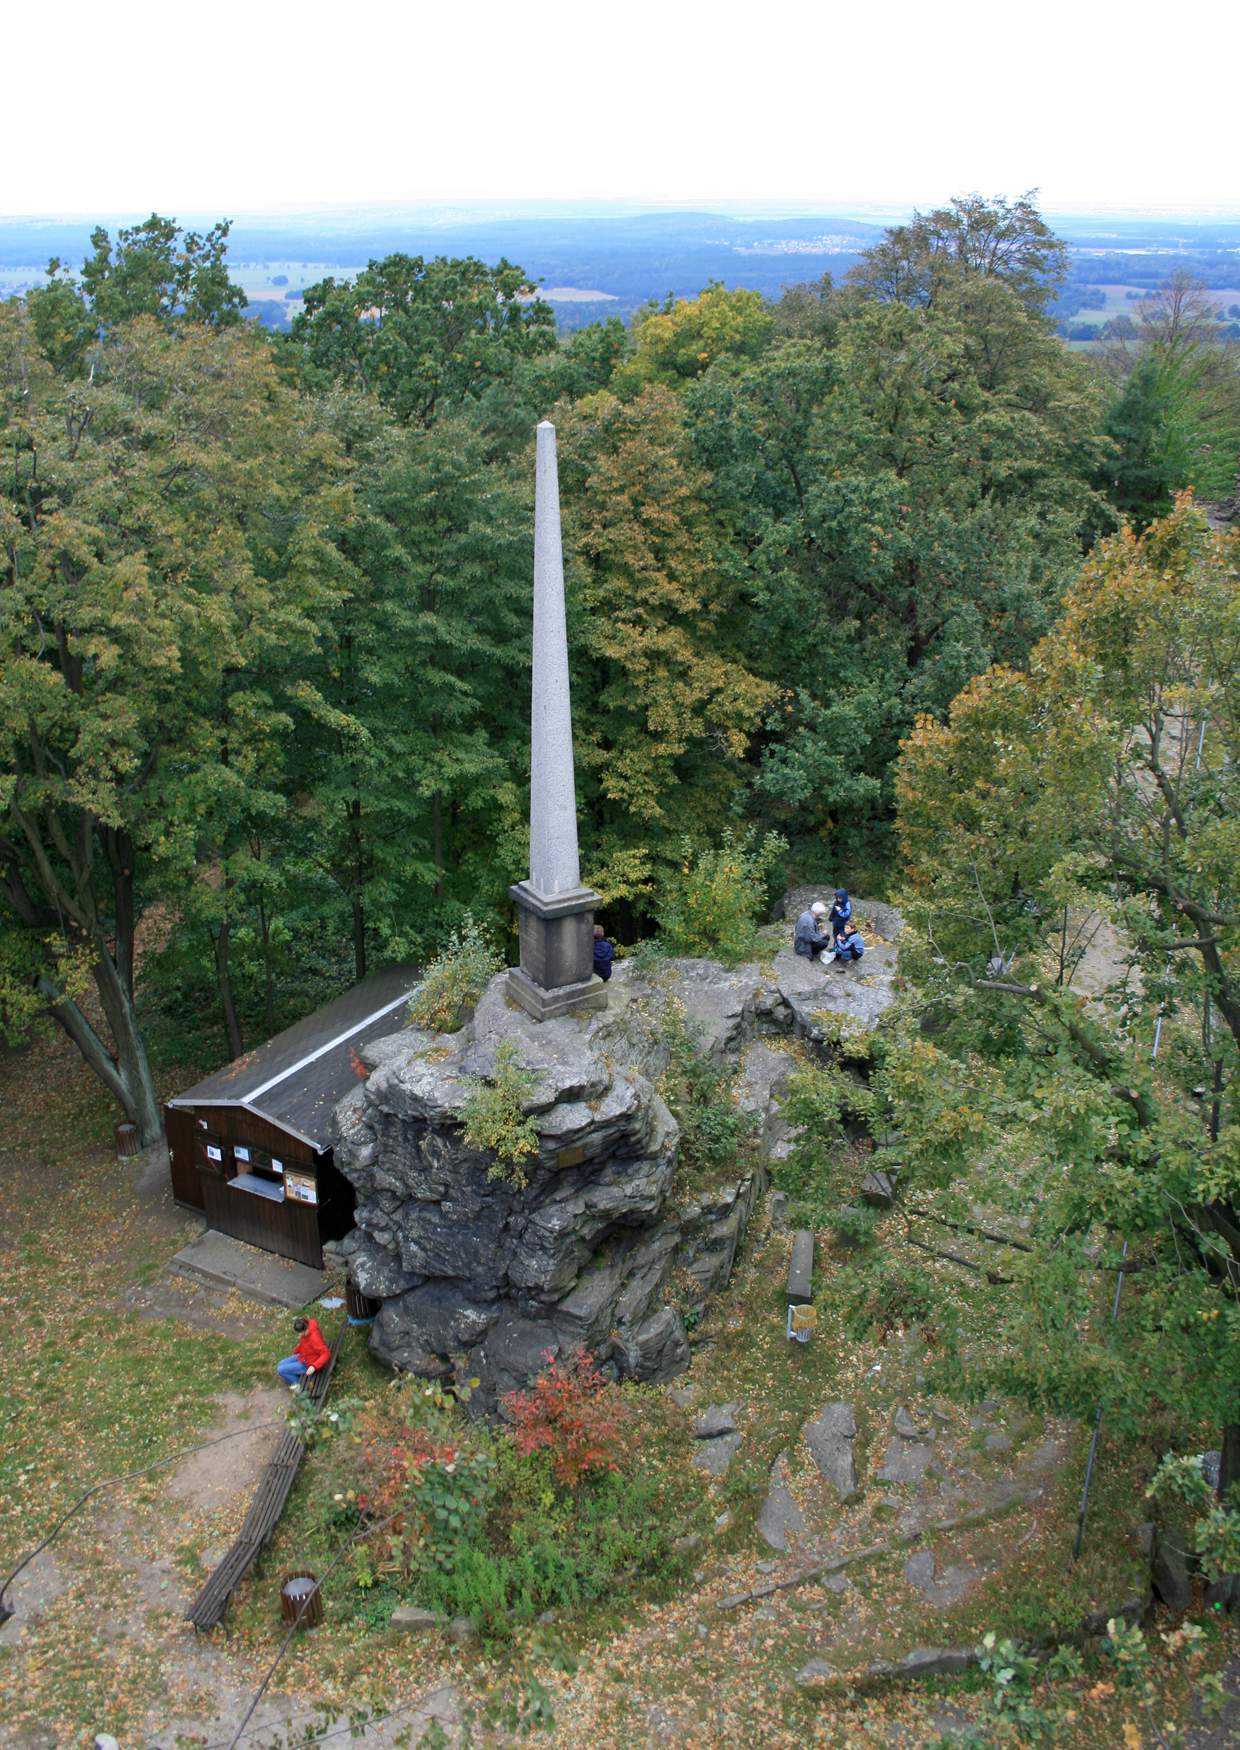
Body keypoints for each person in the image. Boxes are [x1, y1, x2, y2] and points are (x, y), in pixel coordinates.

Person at [276, 1315, 331, 1389]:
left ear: (306, 1329)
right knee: (280, 1364)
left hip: (309, 1363)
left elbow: (326, 1353)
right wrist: (297, 1349)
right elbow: (305, 1342)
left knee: (280, 1370)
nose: (299, 1335)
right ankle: (296, 1374)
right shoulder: (307, 1325)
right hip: (304, 1355)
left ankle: (299, 1386)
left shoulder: (315, 1339)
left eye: (300, 1333)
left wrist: (313, 1366)